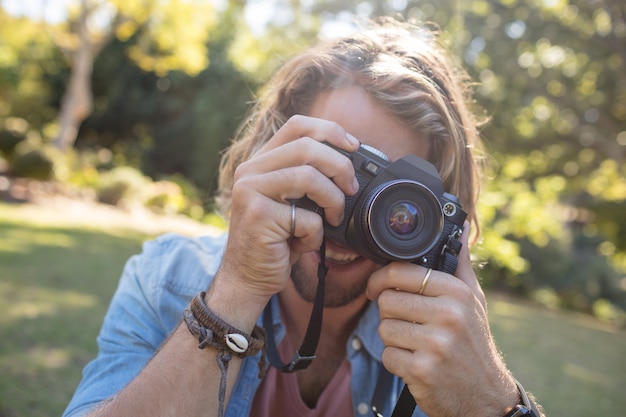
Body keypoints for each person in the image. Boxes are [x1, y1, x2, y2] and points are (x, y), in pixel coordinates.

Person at [63, 17, 544, 417]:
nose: (350, 211)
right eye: (332, 167)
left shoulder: (439, 344)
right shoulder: (165, 278)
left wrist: (493, 403)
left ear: (439, 218)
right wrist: (237, 289)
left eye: (397, 198)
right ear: (271, 154)